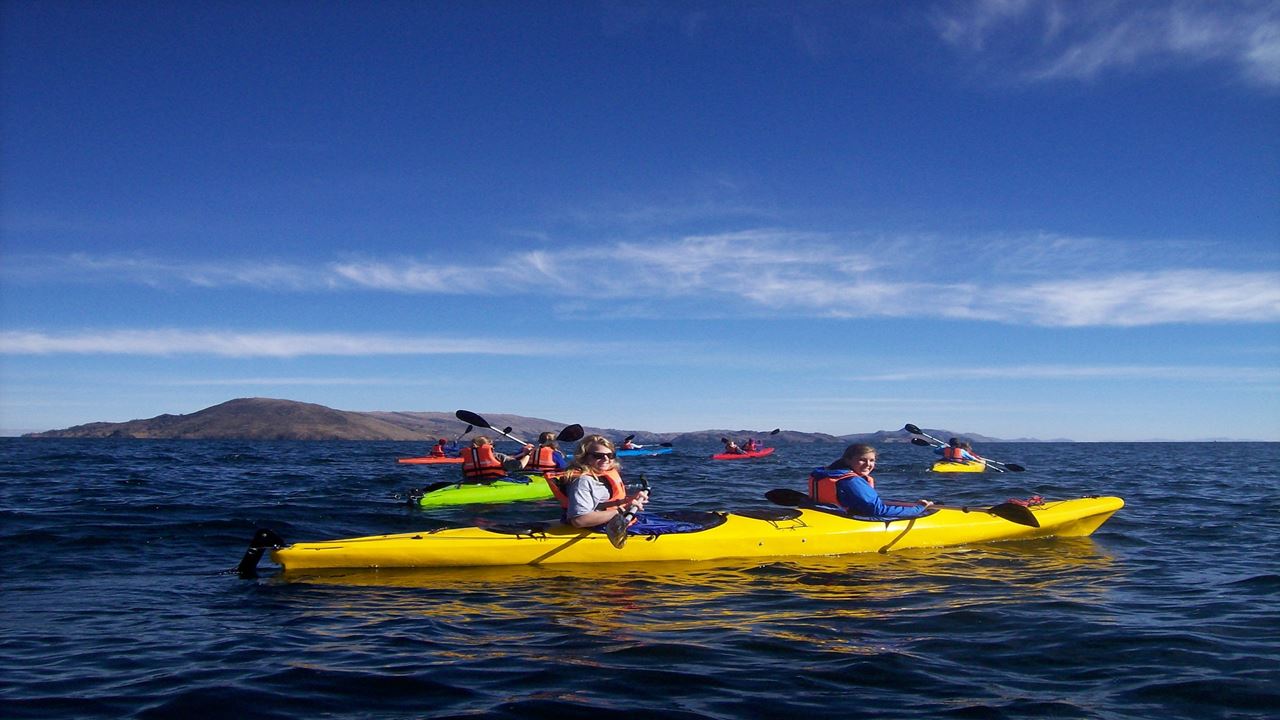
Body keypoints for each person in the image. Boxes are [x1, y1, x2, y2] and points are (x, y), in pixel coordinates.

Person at [808, 444, 934, 519]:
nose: (868, 465)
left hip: (824, 516)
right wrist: (919, 509)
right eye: (862, 460)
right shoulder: (851, 481)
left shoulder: (826, 473)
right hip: (844, 521)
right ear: (848, 460)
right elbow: (879, 511)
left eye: (872, 460)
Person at [551, 435, 648, 529]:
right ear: (584, 457)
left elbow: (597, 505)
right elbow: (579, 520)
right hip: (593, 529)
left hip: (609, 524)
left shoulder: (600, 475)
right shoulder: (583, 481)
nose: (606, 459)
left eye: (610, 455)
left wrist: (627, 501)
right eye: (598, 456)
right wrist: (622, 509)